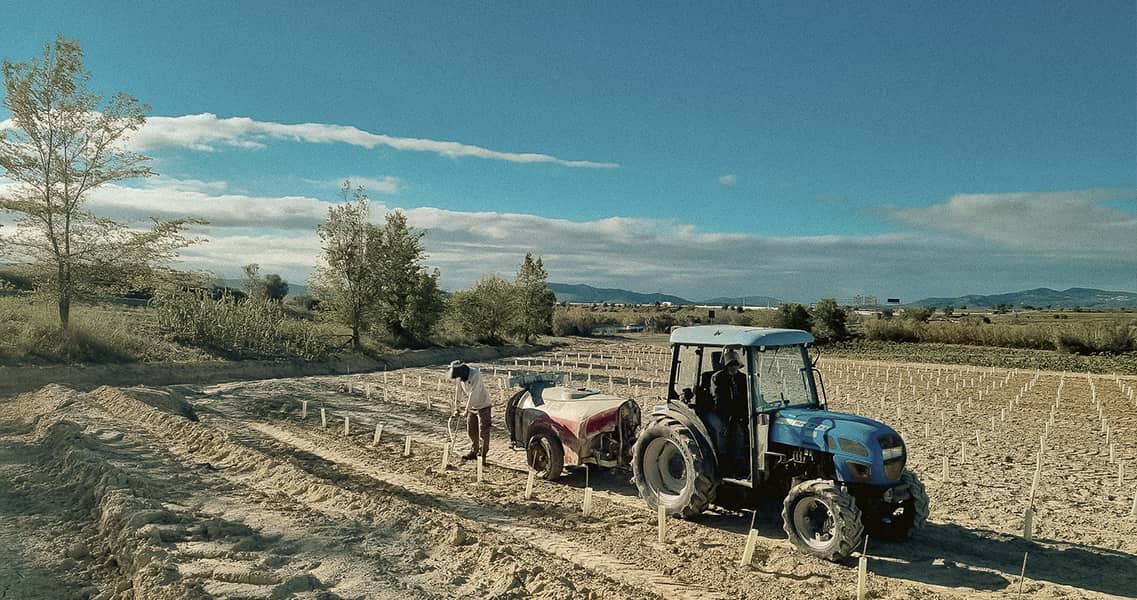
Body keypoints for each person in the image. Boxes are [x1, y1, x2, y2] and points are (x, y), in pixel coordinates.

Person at [708, 348, 749, 476]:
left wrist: (744, 414)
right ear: (725, 365)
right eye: (730, 364)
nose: (733, 367)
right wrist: (729, 417)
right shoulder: (717, 378)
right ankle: (724, 462)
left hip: (738, 412)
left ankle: (744, 461)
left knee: (746, 431)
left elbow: (747, 397)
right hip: (718, 412)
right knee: (723, 431)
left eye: (735, 364)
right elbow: (718, 399)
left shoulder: (742, 378)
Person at [448, 360, 492, 460]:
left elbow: (474, 393)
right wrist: (457, 407)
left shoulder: (476, 374)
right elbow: (458, 391)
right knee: (471, 431)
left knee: (483, 432)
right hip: (472, 407)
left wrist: (466, 410)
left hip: (483, 405)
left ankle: (482, 455)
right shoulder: (460, 377)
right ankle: (474, 451)